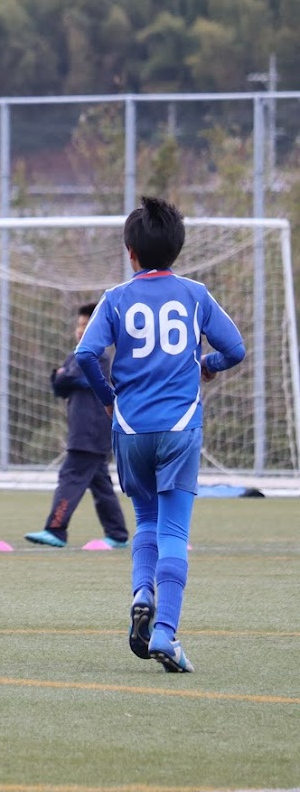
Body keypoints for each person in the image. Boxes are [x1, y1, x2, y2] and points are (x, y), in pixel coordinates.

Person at [75, 197, 245, 673]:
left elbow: (86, 354)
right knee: (174, 531)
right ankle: (166, 632)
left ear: (130, 252)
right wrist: (207, 363)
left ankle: (141, 593)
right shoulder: (195, 294)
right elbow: (236, 349)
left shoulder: (115, 298)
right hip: (179, 427)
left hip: (130, 428)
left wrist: (108, 398)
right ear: (178, 248)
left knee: (146, 520)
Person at [24, 303, 130, 550]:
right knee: (100, 483)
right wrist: (63, 376)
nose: (81, 330)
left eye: (87, 325)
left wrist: (64, 375)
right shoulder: (76, 356)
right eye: (79, 325)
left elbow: (77, 379)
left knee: (70, 477)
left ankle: (56, 529)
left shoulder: (99, 356)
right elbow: (60, 386)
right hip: (83, 429)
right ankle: (117, 534)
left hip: (91, 430)